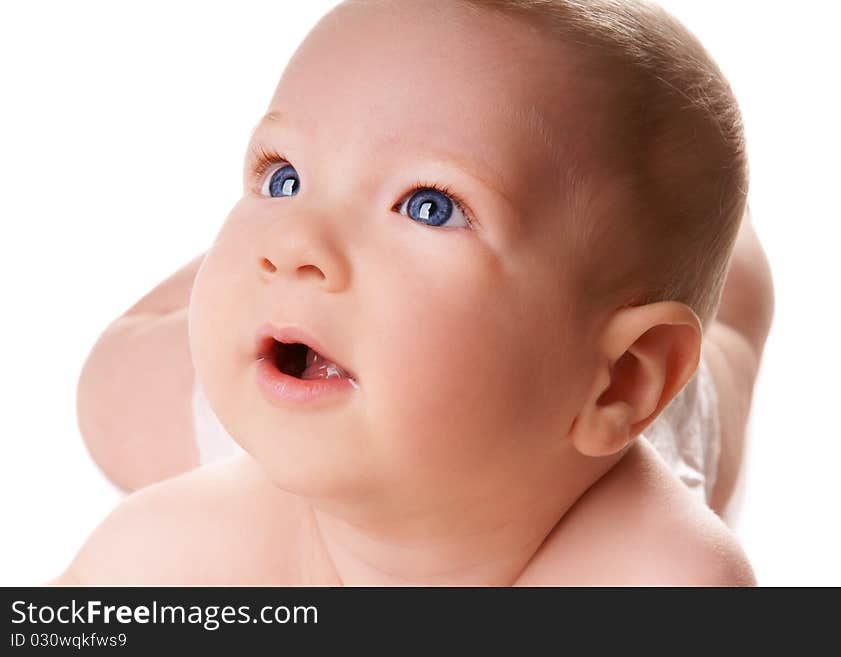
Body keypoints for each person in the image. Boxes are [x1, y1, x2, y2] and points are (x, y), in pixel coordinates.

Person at [57, 0, 774, 586]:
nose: (292, 242)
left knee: (727, 333)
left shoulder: (657, 576)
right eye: (282, 175)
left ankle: (736, 249)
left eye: (429, 205)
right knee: (111, 393)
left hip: (571, 414)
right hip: (313, 378)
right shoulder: (178, 544)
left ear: (620, 377)